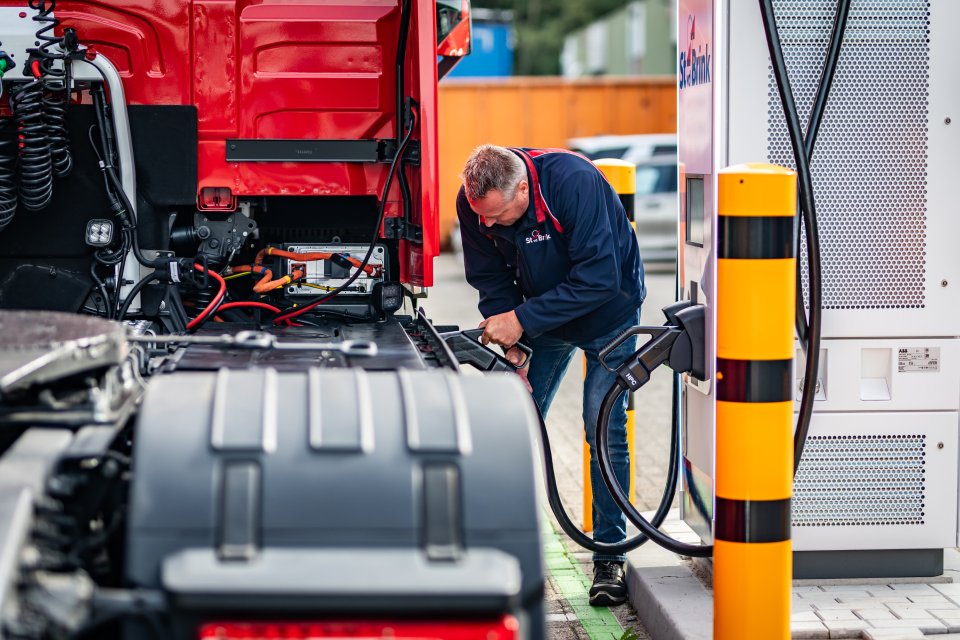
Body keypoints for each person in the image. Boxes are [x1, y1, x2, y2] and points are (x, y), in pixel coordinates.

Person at [456, 144, 645, 606]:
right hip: (540, 318)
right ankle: (496, 548)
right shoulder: (475, 203)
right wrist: (513, 341)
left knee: (603, 429)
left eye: (498, 217)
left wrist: (521, 321)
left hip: (609, 315)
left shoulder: (573, 183)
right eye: (482, 217)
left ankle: (609, 554)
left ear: (524, 187)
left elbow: (600, 278)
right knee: (507, 424)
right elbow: (490, 277)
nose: (488, 225)